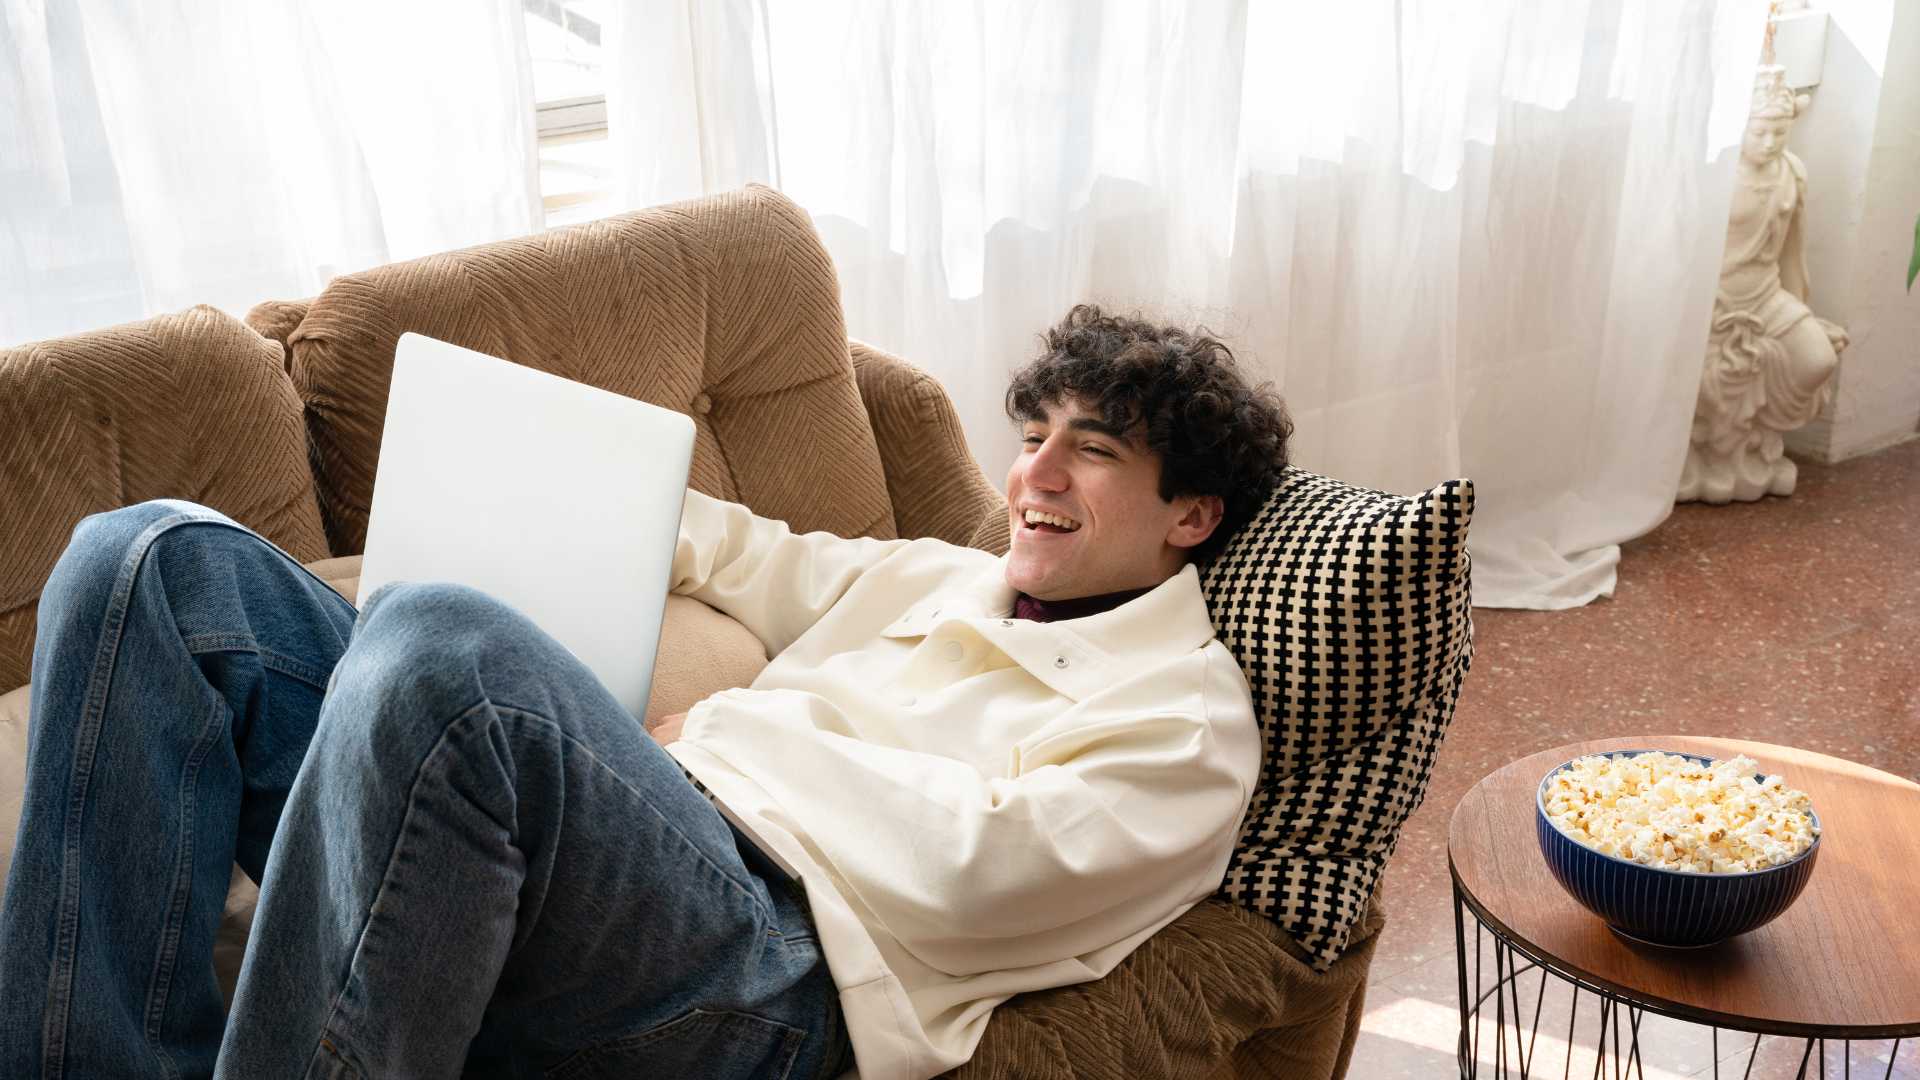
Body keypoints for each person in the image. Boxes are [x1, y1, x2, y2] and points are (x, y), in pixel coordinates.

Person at [0, 304, 1293, 1080]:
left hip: (768, 980)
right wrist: (536, 482)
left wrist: (710, 758)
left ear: (1192, 513)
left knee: (450, 657)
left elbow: (983, 870)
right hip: (618, 871)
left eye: (1094, 450)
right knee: (149, 557)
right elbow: (739, 547)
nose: (1035, 476)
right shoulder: (930, 581)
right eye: (1031, 438)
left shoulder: (1184, 716)